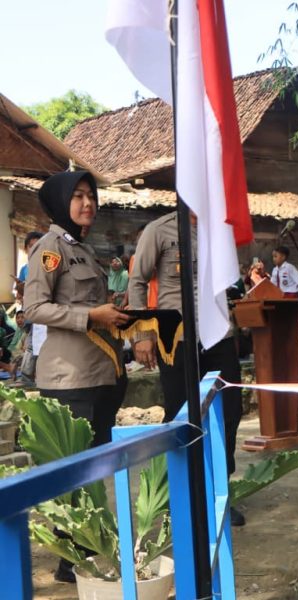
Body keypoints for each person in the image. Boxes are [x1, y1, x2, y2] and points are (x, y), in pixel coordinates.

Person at [23, 170, 130, 584]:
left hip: (99, 373)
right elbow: (34, 308)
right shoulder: (50, 248)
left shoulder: (82, 249)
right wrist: (91, 315)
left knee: (93, 470)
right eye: (79, 196)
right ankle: (69, 560)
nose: (88, 203)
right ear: (61, 202)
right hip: (70, 379)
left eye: (92, 196)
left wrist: (112, 311)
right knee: (72, 472)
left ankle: (85, 552)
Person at [128, 211, 246, 526]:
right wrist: (141, 334)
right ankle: (181, 496)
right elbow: (137, 281)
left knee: (228, 412)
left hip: (218, 336)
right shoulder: (159, 229)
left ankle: (218, 492)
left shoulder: (220, 225)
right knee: (180, 416)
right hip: (177, 338)